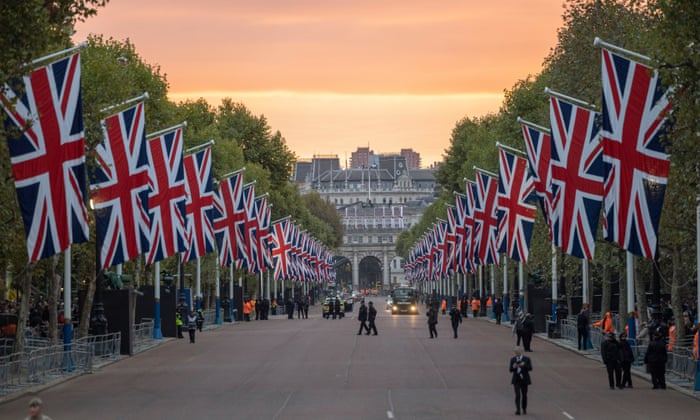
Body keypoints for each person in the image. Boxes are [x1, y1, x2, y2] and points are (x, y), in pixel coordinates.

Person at [509, 346, 532, 416]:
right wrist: (513, 367)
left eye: (517, 352)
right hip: (516, 379)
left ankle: (524, 408)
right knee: (517, 395)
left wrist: (524, 365)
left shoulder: (527, 359)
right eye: (515, 352)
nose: (516, 354)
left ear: (520, 352)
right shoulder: (513, 359)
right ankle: (518, 409)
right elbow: (510, 370)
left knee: (524, 395)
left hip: (524, 379)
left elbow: (530, 368)